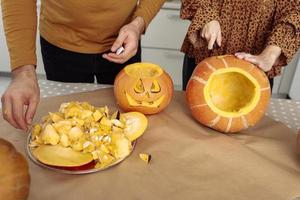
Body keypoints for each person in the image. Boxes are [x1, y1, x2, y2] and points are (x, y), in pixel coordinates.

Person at [1, 0, 166, 131]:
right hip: (60, 45)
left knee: (123, 124)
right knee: (68, 123)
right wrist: (23, 72)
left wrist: (138, 24)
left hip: (124, 41)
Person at [180, 0, 300, 90]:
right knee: (191, 117)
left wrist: (270, 54)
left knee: (247, 118)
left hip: (256, 64)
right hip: (204, 55)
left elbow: (295, 13)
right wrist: (207, 17)